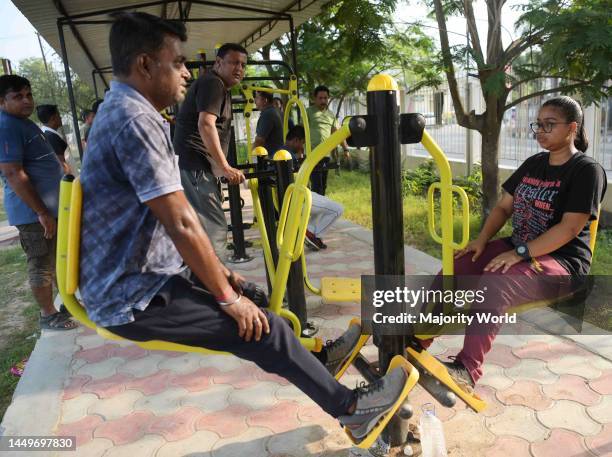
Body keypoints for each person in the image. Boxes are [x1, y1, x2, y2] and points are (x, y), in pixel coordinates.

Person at [79, 11, 410, 442]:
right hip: (132, 295)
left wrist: (226, 279)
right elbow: (180, 221)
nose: (185, 74)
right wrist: (223, 294)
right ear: (145, 64)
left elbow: (161, 224)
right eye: (177, 62)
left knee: (252, 295)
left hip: (142, 277)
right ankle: (352, 410)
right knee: (258, 325)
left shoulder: (123, 108)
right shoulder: (136, 119)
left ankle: (319, 362)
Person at [421, 96, 607, 395]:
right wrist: (480, 242)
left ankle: (467, 369)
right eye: (538, 124)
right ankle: (418, 339)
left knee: (497, 282)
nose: (540, 131)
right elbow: (503, 207)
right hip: (519, 246)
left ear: (572, 128)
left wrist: (519, 253)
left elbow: (570, 228)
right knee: (457, 266)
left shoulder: (586, 170)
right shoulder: (534, 163)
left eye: (550, 124)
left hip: (562, 262)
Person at [0, 75, 77, 330]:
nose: (27, 100)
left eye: (29, 94)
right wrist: (41, 211)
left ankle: (68, 304)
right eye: (18, 96)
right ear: (2, 102)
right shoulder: (6, 126)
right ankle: (48, 315)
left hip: (48, 210)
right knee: (41, 264)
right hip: (34, 214)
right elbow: (13, 173)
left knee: (59, 259)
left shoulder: (24, 124)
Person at [173, 43, 246, 254]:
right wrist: (224, 167)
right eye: (233, 62)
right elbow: (205, 124)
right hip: (195, 166)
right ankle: (215, 285)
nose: (239, 68)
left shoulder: (215, 85)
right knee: (213, 230)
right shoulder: (213, 83)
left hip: (196, 166)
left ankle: (203, 282)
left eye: (243, 64)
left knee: (201, 230)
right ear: (218, 62)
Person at [283, 125, 344, 251]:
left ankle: (310, 232)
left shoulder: (281, 153)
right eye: (302, 143)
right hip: (299, 198)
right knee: (337, 209)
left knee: (323, 204)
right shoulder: (289, 157)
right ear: (296, 140)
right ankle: (312, 234)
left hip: (290, 197)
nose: (302, 147)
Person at [306, 85, 349, 195]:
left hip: (325, 156)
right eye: (320, 98)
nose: (323, 100)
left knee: (323, 186)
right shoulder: (308, 112)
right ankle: (314, 210)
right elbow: (302, 132)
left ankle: (321, 210)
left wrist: (346, 149)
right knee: (316, 186)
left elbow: (338, 134)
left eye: (325, 98)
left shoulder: (331, 115)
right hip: (312, 154)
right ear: (314, 98)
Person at [37, 104, 70, 174]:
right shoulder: (51, 137)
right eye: (59, 115)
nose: (61, 117)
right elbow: (62, 166)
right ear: (53, 118)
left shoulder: (46, 134)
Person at [253, 89, 283, 155]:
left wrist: (251, 156)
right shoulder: (277, 112)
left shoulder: (267, 114)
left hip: (272, 157)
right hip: (280, 154)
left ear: (265, 100)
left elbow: (259, 141)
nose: (255, 101)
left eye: (257, 98)